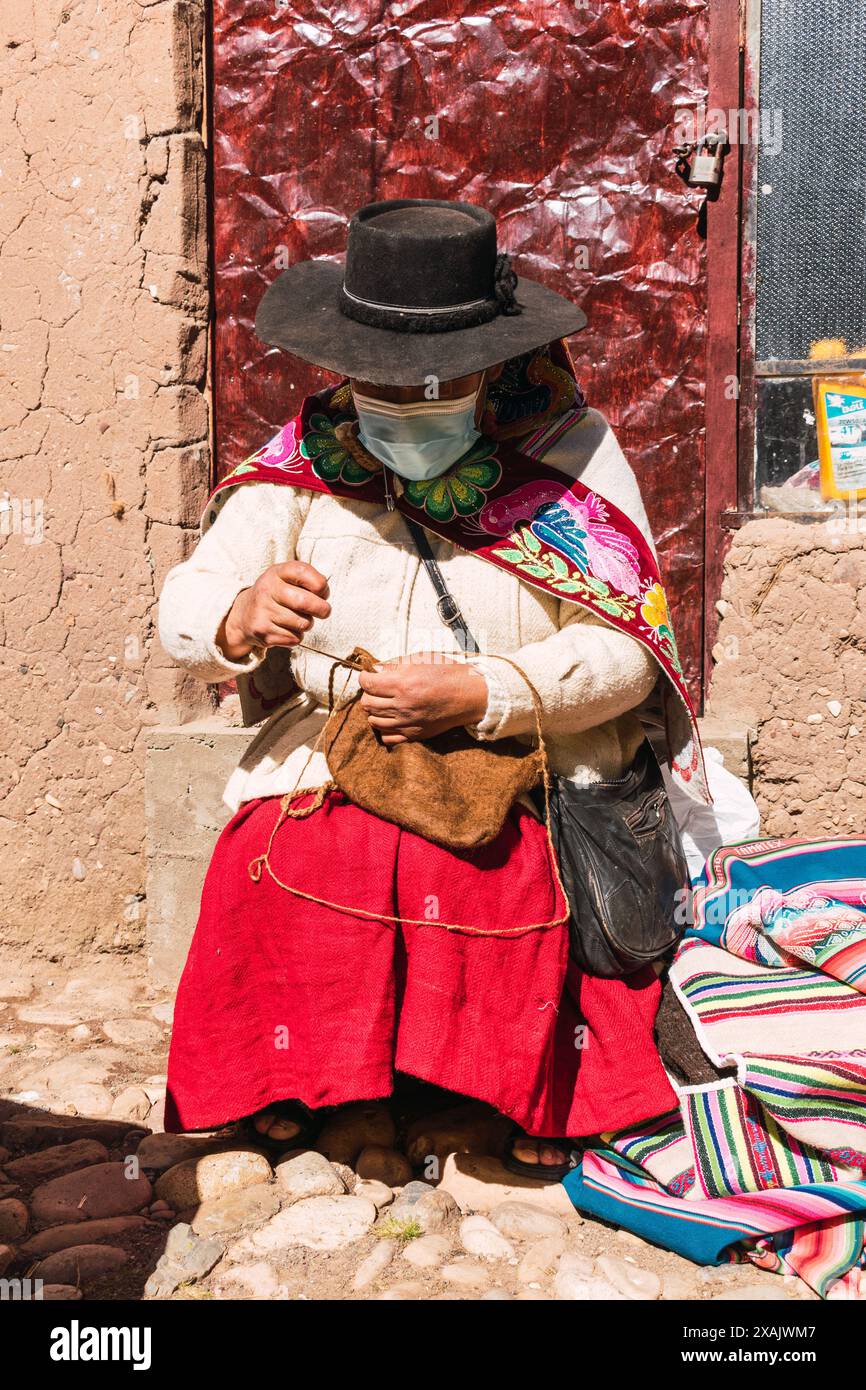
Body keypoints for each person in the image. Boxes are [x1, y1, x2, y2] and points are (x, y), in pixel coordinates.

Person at [158, 198, 706, 1176]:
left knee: (492, 869)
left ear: (493, 361)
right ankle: (304, 1079)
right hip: (340, 745)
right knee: (292, 859)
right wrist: (239, 615)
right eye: (381, 382)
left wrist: (484, 693)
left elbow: (628, 653)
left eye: (439, 382)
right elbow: (187, 609)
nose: (409, 404)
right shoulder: (302, 461)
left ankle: (503, 1091)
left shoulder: (570, 455)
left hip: (533, 750)